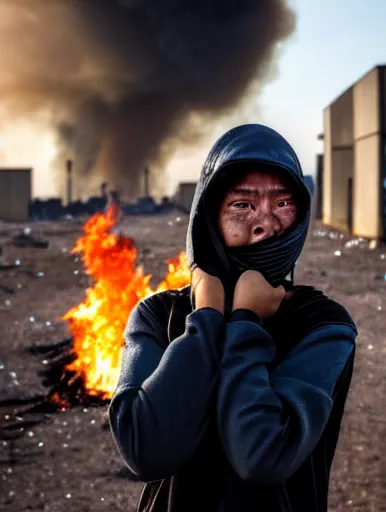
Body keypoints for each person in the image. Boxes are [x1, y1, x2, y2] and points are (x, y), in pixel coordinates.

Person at [109, 124, 358, 512]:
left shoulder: (322, 325)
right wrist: (206, 318)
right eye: (242, 205)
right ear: (209, 215)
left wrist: (245, 322)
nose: (265, 224)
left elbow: (259, 454)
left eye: (283, 204)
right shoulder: (158, 316)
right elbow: (146, 450)